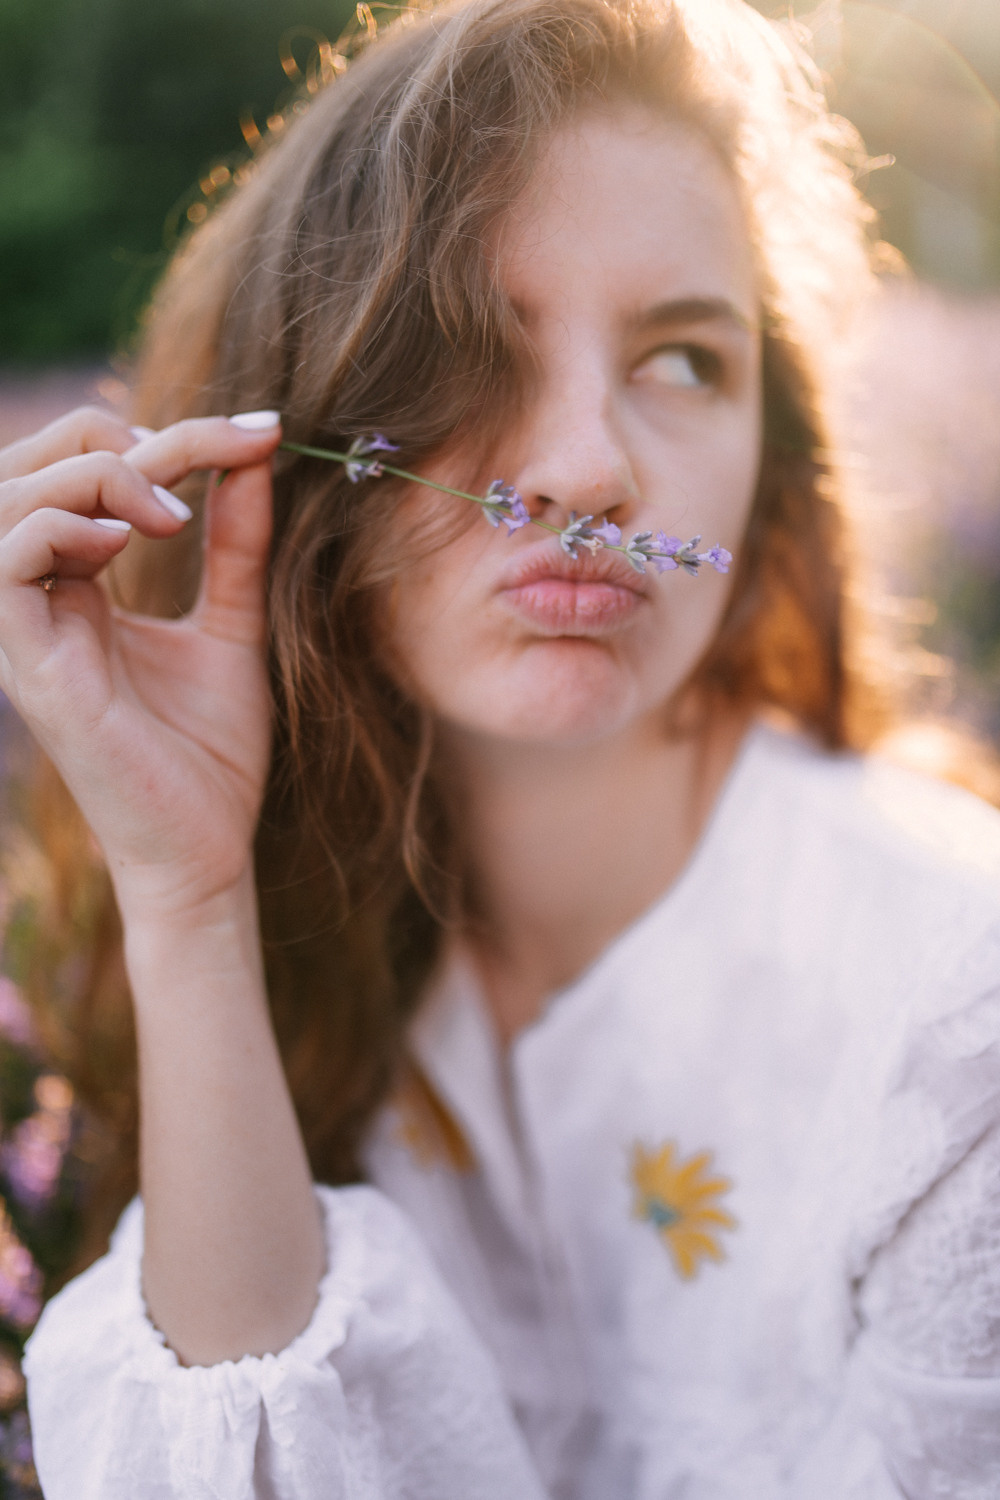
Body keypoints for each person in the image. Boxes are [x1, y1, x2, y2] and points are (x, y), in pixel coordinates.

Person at [6, 0, 1000, 1493]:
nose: (591, 466)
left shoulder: (948, 1017)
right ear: (301, 433)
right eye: (472, 345)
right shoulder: (311, 916)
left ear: (771, 460)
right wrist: (187, 902)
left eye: (681, 361)